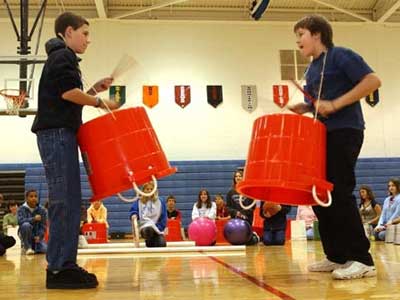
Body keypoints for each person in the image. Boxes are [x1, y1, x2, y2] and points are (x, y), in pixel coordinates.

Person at [31, 12, 119, 289]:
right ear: (68, 32)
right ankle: (58, 268)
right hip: (57, 135)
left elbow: (68, 95)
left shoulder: (61, 58)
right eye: (84, 33)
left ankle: (64, 264)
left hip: (60, 135)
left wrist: (92, 89)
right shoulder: (63, 57)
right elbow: (69, 94)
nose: (88, 40)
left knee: (69, 201)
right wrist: (99, 100)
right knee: (63, 202)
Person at [290, 15, 381, 280]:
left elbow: (373, 81)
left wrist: (335, 104)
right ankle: (336, 255)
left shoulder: (342, 56)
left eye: (301, 34)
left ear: (317, 34)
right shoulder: (311, 69)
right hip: (321, 135)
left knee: (340, 193)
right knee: (319, 196)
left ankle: (362, 259)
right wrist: (306, 107)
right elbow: (319, 102)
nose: (298, 41)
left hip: (346, 131)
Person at [129, 181, 167, 248]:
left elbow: (163, 217)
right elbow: (133, 211)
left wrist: (158, 228)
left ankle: (151, 242)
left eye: (151, 189)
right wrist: (133, 215)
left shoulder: (160, 201)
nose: (149, 191)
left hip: (157, 228)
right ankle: (149, 240)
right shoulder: (138, 201)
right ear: (143, 190)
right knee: (148, 230)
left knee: (161, 244)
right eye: (147, 189)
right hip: (145, 227)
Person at [226, 170, 259, 245]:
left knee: (248, 242)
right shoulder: (230, 192)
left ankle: (254, 236)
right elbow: (228, 207)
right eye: (236, 176)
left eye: (240, 176)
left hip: (247, 219)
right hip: (235, 220)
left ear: (243, 177)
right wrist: (236, 213)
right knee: (236, 242)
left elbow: (252, 206)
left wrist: (243, 213)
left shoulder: (248, 191)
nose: (238, 178)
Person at [17, 190, 47, 255]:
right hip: (25, 232)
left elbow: (43, 226)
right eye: (31, 196)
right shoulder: (21, 209)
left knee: (45, 250)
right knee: (26, 225)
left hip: (36, 234)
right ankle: (27, 246)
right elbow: (20, 221)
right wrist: (33, 219)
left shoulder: (42, 210)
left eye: (35, 196)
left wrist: (39, 236)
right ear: (26, 198)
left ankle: (34, 245)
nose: (34, 198)